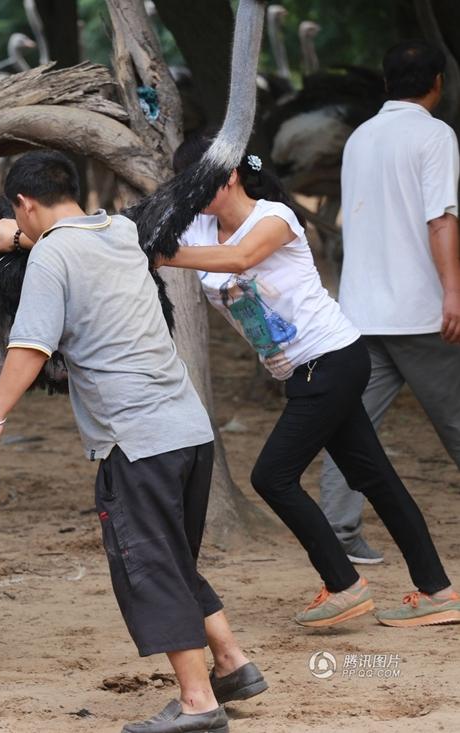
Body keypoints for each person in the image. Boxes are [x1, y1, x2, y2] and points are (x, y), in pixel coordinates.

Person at [0, 151, 264, 733]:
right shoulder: (121, 231)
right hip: (188, 430)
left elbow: (31, 346)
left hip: (136, 439)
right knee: (173, 558)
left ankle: (199, 702)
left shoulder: (53, 253)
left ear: (23, 204)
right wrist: (21, 239)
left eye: (18, 215)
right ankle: (232, 662)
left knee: (149, 567)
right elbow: (68, 245)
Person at [161, 135, 460, 629]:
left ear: (229, 175)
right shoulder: (200, 226)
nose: (189, 198)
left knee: (271, 476)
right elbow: (145, 233)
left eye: (197, 186)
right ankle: (439, 591)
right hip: (304, 370)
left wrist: (165, 257)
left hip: (331, 360)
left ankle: (344, 585)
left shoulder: (275, 219)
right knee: (377, 480)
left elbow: (238, 262)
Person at [319, 40, 460, 565]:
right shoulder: (435, 135)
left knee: (351, 424)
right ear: (438, 83)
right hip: (422, 312)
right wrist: (453, 290)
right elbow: (440, 219)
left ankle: (338, 529)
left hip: (360, 312)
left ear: (384, 83)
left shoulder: (360, 137)